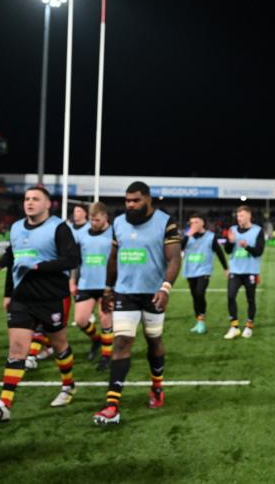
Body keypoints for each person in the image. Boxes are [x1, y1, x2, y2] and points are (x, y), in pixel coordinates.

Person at [0, 187, 81, 423]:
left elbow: (72, 259)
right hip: (21, 299)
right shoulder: (15, 227)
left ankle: (68, 386)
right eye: (27, 199)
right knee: (16, 350)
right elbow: (15, 258)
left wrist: (39, 266)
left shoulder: (59, 227)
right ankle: (3, 404)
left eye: (36, 199)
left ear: (48, 204)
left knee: (59, 345)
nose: (30, 202)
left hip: (52, 297)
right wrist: (5, 287)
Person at [93, 182, 182, 425]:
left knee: (154, 341)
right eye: (127, 201)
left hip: (153, 293)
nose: (130, 205)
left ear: (148, 200)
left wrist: (165, 288)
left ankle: (157, 386)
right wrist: (108, 289)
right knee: (121, 342)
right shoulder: (119, 223)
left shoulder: (166, 222)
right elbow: (113, 258)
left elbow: (174, 259)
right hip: (125, 293)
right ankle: (112, 404)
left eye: (135, 200)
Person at [70, 202, 114, 370]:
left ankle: (106, 356)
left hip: (107, 285)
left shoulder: (114, 234)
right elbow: (76, 261)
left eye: (97, 220)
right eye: (91, 219)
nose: (93, 223)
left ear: (105, 217)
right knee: (80, 320)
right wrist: (72, 280)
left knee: (105, 319)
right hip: (86, 284)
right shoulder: (81, 234)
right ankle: (96, 340)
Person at [222, 205, 265, 340]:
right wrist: (229, 242)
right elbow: (228, 251)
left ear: (249, 216)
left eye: (241, 215)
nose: (239, 218)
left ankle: (249, 326)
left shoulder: (258, 231)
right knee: (230, 296)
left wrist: (247, 247)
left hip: (251, 271)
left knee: (250, 299)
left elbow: (259, 252)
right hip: (235, 271)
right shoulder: (232, 230)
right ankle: (234, 327)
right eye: (238, 215)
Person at [182, 212, 229, 334]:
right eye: (191, 222)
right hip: (190, 271)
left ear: (203, 222)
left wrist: (226, 268)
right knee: (194, 296)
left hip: (204, 270)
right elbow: (179, 248)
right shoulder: (187, 236)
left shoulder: (210, 236)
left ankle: (201, 320)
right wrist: (188, 235)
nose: (193, 224)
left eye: (196, 222)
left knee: (199, 293)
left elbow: (219, 252)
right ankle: (198, 321)